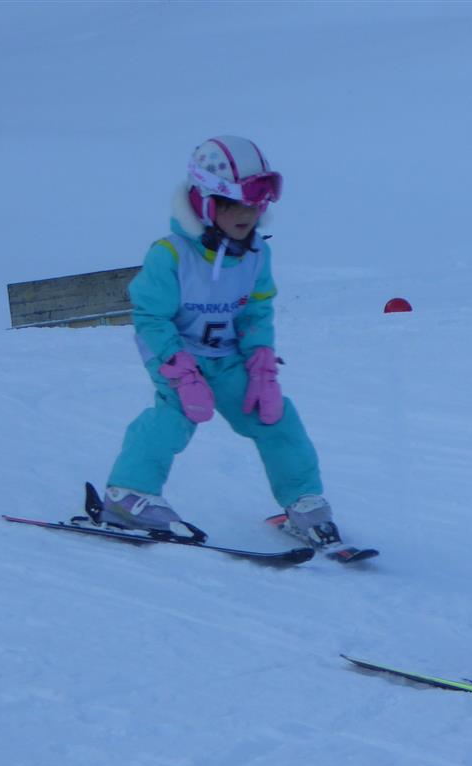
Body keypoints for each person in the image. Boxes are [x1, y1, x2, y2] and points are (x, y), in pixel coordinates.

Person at [103, 135, 347, 549]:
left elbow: (256, 312)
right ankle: (128, 493)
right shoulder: (170, 255)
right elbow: (150, 317)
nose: (246, 215)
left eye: (255, 205)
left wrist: (261, 362)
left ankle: (303, 501)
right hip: (176, 356)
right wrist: (179, 369)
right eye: (233, 204)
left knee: (275, 417)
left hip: (228, 358)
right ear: (204, 202)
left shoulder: (256, 255)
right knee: (175, 416)